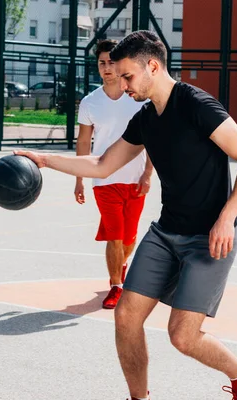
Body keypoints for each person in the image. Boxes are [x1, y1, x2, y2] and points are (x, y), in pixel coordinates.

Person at [16, 30, 237, 400]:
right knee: (126, 317)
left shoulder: (197, 105)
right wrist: (46, 160)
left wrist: (227, 217)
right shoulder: (146, 118)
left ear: (153, 65)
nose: (122, 85)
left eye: (128, 76)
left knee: (182, 336)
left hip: (209, 236)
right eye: (118, 76)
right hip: (166, 232)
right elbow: (102, 164)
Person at [75, 39, 153, 310]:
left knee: (130, 236)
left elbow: (151, 139)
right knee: (115, 235)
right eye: (102, 63)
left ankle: (121, 265)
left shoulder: (137, 98)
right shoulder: (90, 102)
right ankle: (116, 285)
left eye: (111, 62)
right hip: (104, 179)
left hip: (134, 179)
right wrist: (79, 179)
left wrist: (148, 173)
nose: (107, 68)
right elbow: (84, 143)